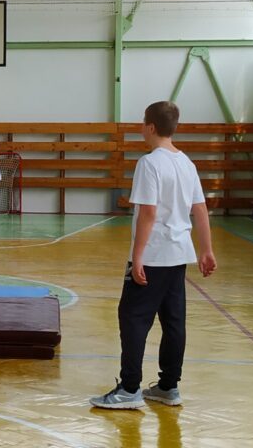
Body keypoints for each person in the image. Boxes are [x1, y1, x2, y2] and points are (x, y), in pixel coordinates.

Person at [90, 101, 217, 409]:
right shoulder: (186, 163)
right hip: (178, 255)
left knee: (132, 318)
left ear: (150, 127)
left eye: (141, 124)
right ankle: (168, 386)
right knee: (174, 322)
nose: (140, 129)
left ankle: (130, 389)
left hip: (155, 255)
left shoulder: (149, 164)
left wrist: (137, 257)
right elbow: (200, 209)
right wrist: (207, 249)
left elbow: (147, 213)